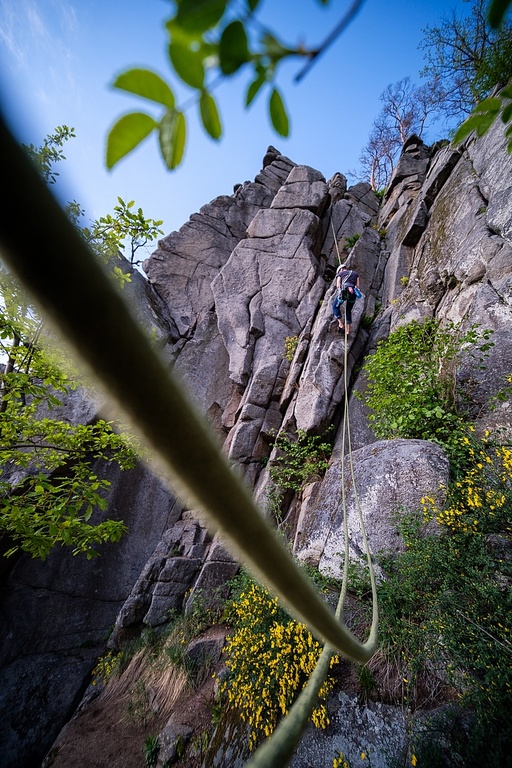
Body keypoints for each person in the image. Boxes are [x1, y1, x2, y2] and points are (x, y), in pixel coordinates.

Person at [332, 262, 360, 335]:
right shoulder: (355, 274)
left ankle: (341, 324)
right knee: (348, 310)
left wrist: (340, 293)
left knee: (335, 306)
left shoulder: (340, 274)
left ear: (340, 269)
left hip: (344, 292)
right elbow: (357, 286)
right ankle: (348, 330)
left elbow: (338, 285)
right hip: (353, 294)